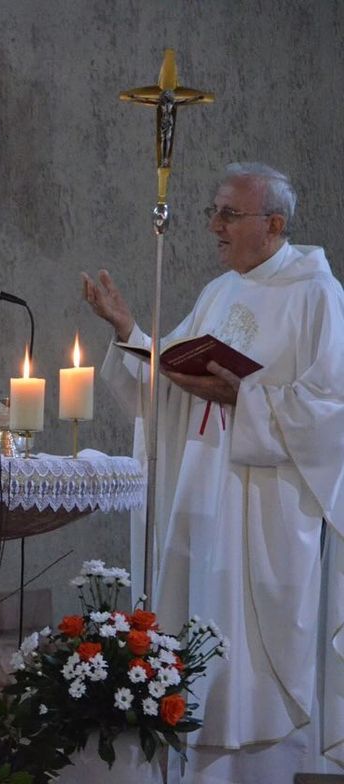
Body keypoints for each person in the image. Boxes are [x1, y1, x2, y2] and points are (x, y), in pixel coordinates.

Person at [83, 162, 344, 782]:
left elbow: (332, 412)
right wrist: (128, 332)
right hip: (202, 497)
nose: (214, 227)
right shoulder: (217, 292)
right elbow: (172, 379)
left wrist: (245, 399)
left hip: (266, 514)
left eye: (229, 213)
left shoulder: (317, 295)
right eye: (214, 211)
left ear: (274, 224)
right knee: (197, 630)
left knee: (253, 658)